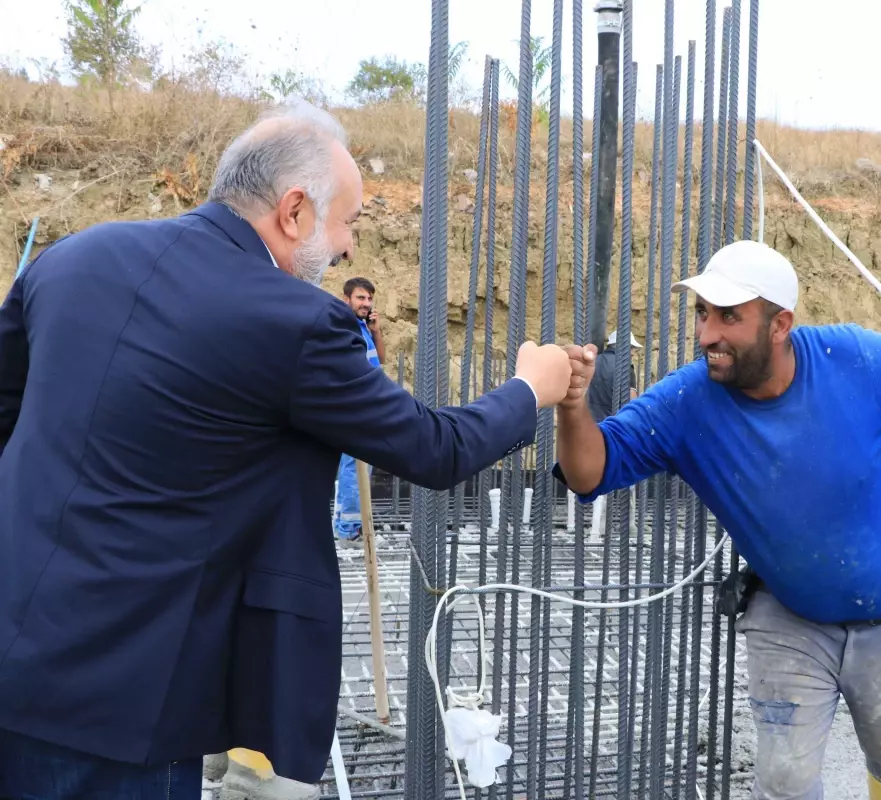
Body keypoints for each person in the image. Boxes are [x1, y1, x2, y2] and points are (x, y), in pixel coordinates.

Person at [0, 99, 572, 799]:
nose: (351, 249)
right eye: (349, 223)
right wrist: (529, 389)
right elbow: (432, 448)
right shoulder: (296, 322)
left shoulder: (72, 261)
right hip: (121, 706)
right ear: (294, 209)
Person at [553, 239, 881, 800]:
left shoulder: (853, 358)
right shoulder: (685, 402)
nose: (708, 334)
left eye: (729, 317)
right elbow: (591, 471)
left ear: (779, 324)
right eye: (702, 313)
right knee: (784, 781)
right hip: (791, 619)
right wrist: (573, 408)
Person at [332, 276, 386, 542]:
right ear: (347, 299)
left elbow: (380, 360)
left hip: (366, 404)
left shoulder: (362, 327)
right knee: (356, 466)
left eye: (369, 298)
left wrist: (375, 331)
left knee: (356, 466)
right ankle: (351, 530)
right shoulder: (345, 326)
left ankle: (345, 525)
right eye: (360, 298)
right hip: (356, 406)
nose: (366, 303)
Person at [584, 330, 641, 539]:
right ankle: (629, 525)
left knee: (597, 475)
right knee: (628, 473)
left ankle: (596, 527)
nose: (633, 354)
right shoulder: (626, 366)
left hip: (591, 425)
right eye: (633, 349)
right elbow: (632, 399)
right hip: (617, 427)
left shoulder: (595, 362)